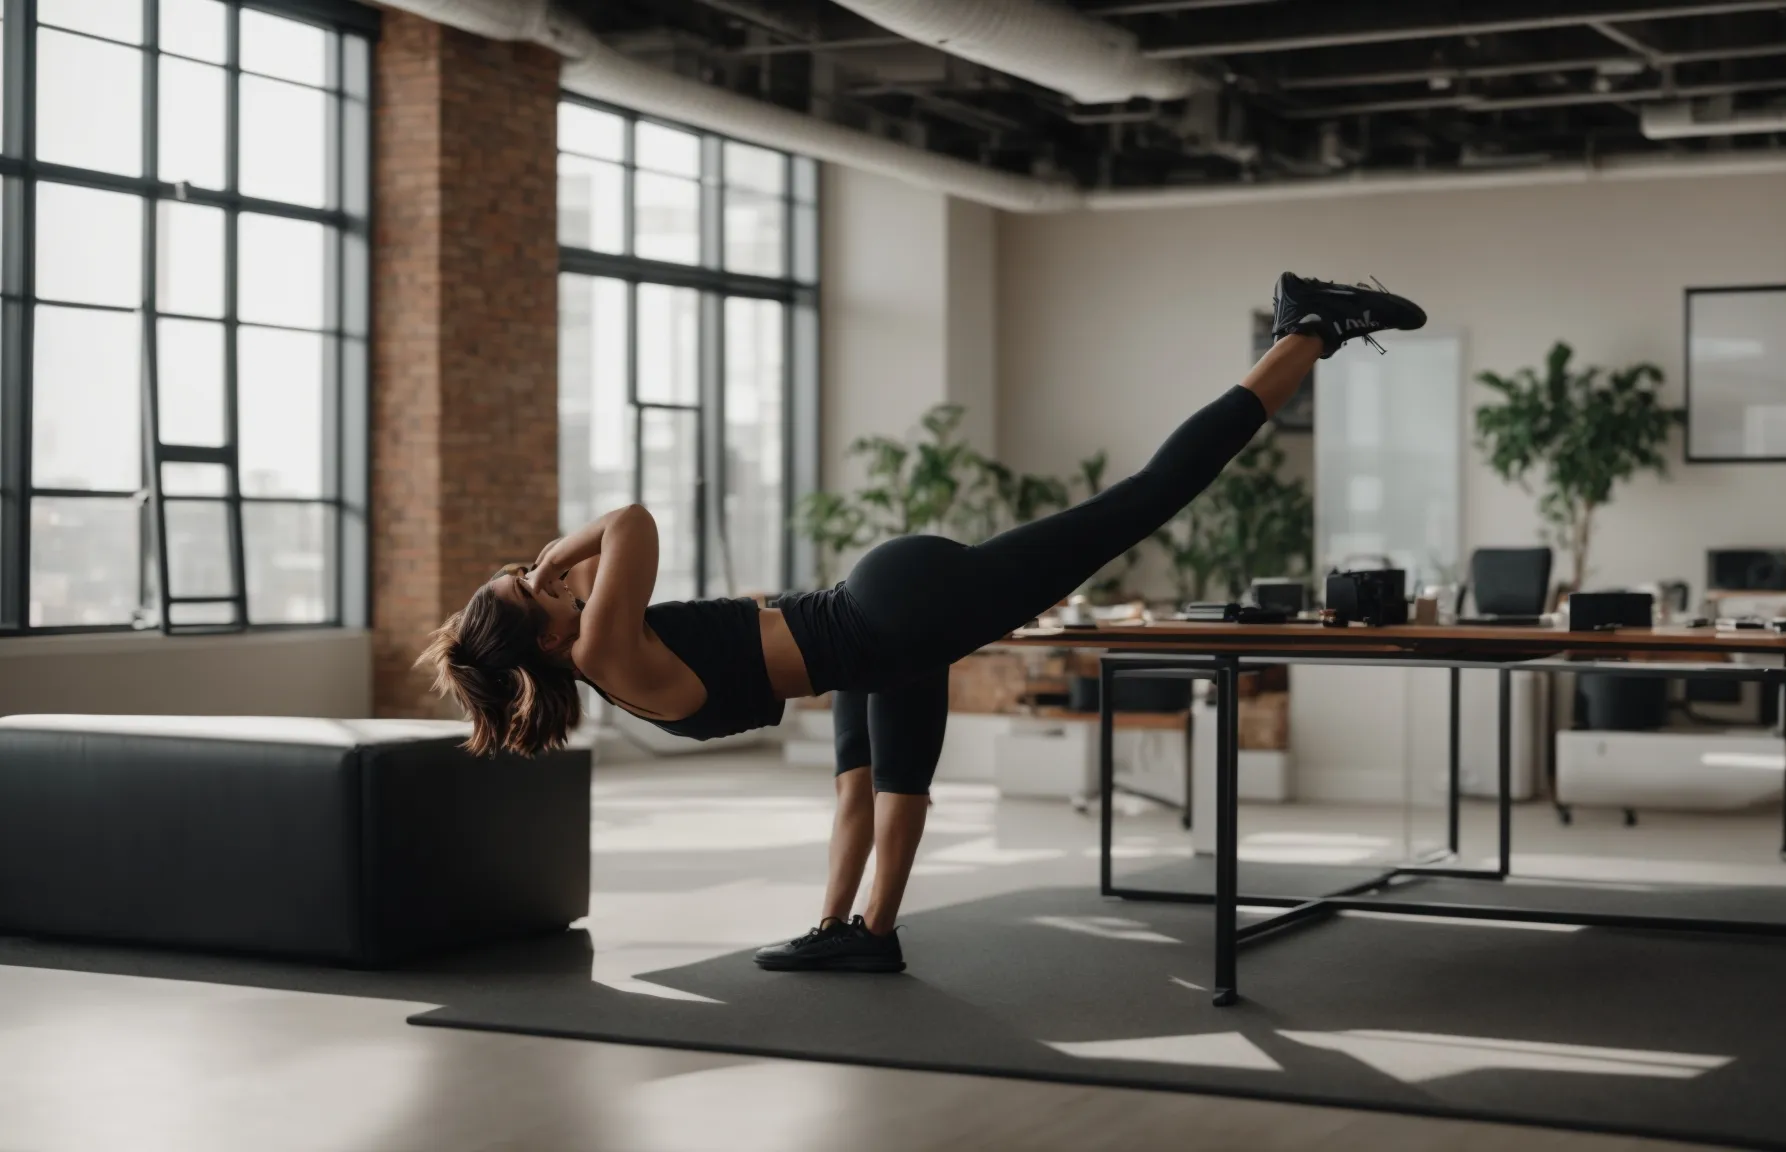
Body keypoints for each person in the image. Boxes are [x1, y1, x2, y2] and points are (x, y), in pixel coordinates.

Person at [417, 272, 1427, 971]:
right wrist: (552, 556)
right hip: (875, 629)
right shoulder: (599, 644)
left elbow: (626, 544)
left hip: (880, 620)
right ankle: (857, 930)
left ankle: (1306, 328)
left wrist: (537, 577)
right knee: (879, 779)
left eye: (539, 574)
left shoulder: (601, 654)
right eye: (537, 591)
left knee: (1143, 499)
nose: (551, 577)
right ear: (545, 640)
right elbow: (630, 519)